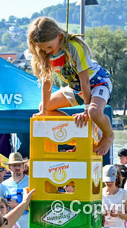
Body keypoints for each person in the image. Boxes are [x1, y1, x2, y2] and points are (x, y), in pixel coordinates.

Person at [28, 15, 114, 155]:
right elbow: (47, 83)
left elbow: (85, 81)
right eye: (43, 49)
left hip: (96, 82)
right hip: (76, 88)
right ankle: (82, 132)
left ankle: (108, 134)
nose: (47, 51)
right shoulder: (46, 55)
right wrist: (44, 111)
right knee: (45, 107)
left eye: (49, 47)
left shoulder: (73, 47)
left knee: (93, 111)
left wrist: (86, 111)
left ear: (59, 37)